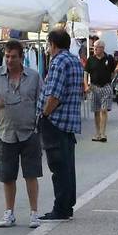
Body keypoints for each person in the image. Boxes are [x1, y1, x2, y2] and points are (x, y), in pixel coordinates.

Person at [0, 39, 44, 228]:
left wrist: (41, 121)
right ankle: (9, 212)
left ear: (22, 58)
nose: (9, 60)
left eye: (13, 57)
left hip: (29, 132)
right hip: (5, 133)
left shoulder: (34, 77)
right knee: (7, 176)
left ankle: (34, 213)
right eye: (7, 56)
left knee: (31, 174)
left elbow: (43, 99)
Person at [37, 28, 83, 221]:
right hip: (69, 121)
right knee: (67, 166)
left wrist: (44, 114)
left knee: (58, 166)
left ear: (53, 44)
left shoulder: (58, 62)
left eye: (48, 44)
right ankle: (67, 205)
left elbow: (54, 95)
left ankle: (61, 208)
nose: (47, 49)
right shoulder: (75, 60)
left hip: (55, 121)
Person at [83, 39, 116, 143]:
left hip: (106, 86)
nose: (95, 49)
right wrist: (86, 86)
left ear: (102, 48)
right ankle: (97, 132)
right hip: (94, 86)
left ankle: (103, 133)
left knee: (104, 110)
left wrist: (110, 81)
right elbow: (85, 73)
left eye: (97, 48)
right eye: (94, 48)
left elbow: (113, 72)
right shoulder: (91, 59)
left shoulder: (109, 58)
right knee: (96, 111)